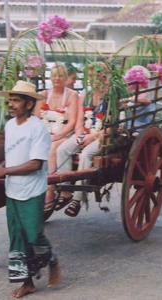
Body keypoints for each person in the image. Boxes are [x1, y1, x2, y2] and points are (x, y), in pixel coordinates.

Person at [0, 80, 61, 298]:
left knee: (34, 235)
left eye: (16, 100)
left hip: (31, 190)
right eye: (10, 100)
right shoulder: (10, 126)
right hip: (12, 190)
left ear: (29, 104)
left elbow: (35, 164)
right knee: (16, 237)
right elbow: (11, 158)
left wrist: (3, 172)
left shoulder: (38, 128)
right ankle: (27, 283)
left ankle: (51, 259)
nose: (11, 104)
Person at [56, 62, 111, 217]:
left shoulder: (111, 96)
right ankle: (65, 191)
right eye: (91, 76)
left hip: (104, 136)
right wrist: (81, 136)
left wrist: (92, 136)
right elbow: (80, 121)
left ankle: (77, 199)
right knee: (63, 149)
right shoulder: (86, 95)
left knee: (86, 153)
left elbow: (112, 126)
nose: (93, 79)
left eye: (97, 75)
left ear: (104, 77)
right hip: (86, 132)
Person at [34, 63, 79, 213]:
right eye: (53, 76)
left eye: (60, 76)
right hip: (46, 131)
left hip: (64, 132)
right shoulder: (44, 94)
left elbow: (72, 122)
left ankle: (50, 191)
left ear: (66, 78)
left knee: (52, 148)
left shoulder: (71, 95)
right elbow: (36, 117)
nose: (56, 79)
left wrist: (57, 136)